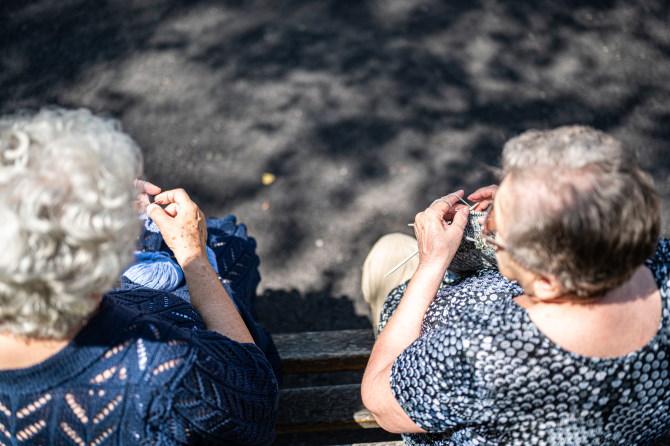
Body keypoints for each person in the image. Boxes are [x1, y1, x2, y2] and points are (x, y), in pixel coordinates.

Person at [361, 125, 670, 445]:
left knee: (388, 253)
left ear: (546, 282)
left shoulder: (488, 348)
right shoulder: (659, 262)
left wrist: (431, 262)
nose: (489, 224)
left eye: (497, 231)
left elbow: (380, 403)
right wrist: (534, 205)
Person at [0, 108, 279, 445]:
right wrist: (194, 257)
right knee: (234, 249)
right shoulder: (163, 370)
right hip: (211, 372)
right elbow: (255, 398)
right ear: (104, 265)